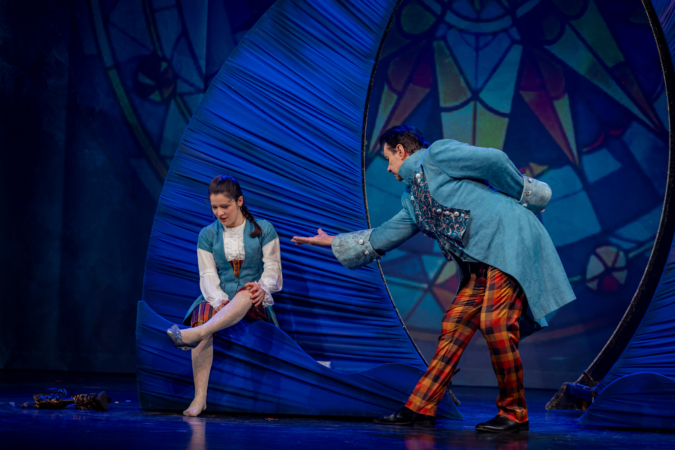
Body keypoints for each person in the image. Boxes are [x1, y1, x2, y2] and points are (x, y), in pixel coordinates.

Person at [292, 126, 575, 432]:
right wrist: (333, 241)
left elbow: (494, 160)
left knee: (495, 323)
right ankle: (421, 406)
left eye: (388, 159)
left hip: (509, 243)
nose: (387, 168)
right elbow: (385, 236)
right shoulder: (412, 199)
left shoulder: (437, 155)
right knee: (454, 325)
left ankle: (514, 412)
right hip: (481, 262)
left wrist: (524, 194)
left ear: (401, 151)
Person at [166, 175, 282, 417]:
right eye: (214, 207)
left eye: (225, 206)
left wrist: (263, 287)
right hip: (218, 297)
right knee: (202, 312)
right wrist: (220, 301)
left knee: (247, 292)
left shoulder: (263, 229)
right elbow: (207, 275)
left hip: (254, 299)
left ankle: (197, 334)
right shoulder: (207, 234)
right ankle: (199, 399)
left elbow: (273, 269)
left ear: (239, 201)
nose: (219, 212)